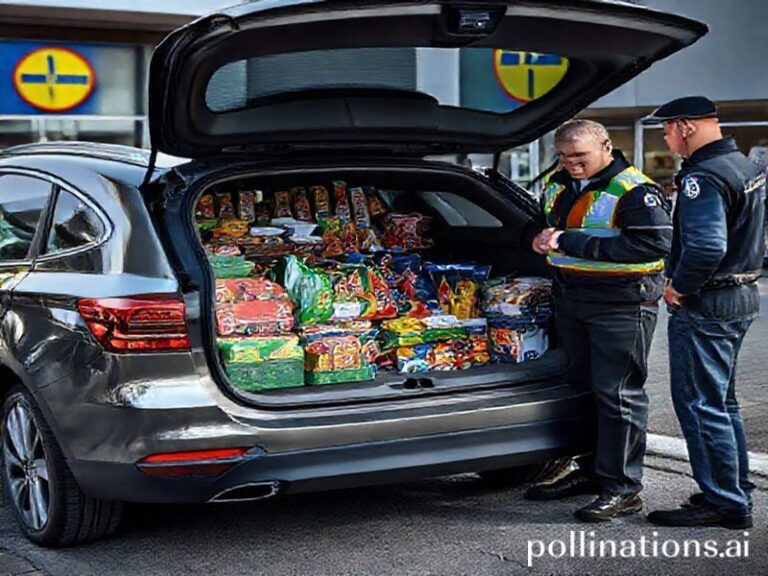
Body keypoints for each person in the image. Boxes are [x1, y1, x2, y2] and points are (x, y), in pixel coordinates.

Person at [520, 119, 672, 522]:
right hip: (572, 299)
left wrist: (568, 241)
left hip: (621, 304)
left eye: (580, 157)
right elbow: (542, 225)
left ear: (606, 146)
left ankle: (623, 489)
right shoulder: (557, 183)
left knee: (618, 395)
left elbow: (652, 245)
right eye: (565, 157)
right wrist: (534, 236)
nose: (572, 164)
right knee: (585, 390)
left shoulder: (634, 189)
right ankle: (589, 472)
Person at [643, 96, 766, 529]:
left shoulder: (704, 177)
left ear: (685, 127)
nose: (665, 138)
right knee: (721, 403)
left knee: (700, 404)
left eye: (666, 131)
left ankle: (724, 502)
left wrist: (678, 286)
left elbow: (708, 246)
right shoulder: (745, 166)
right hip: (741, 295)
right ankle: (733, 488)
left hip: (708, 301)